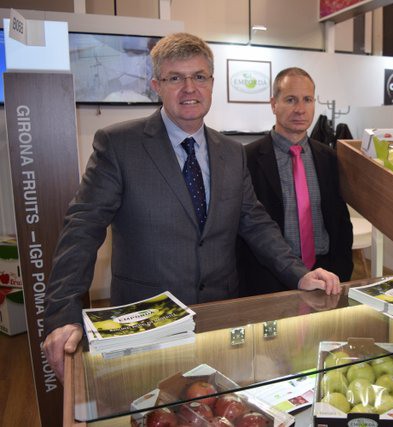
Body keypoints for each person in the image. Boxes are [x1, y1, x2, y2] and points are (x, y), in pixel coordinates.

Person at [43, 34, 340, 380]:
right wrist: (63, 313)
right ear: (156, 85)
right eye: (175, 78)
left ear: (211, 83)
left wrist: (299, 272)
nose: (189, 88)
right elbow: (82, 228)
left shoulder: (232, 152)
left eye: (199, 76)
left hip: (220, 319)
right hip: (148, 322)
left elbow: (255, 221)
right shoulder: (118, 145)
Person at [238, 67, 353, 296]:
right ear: (274, 104)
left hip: (325, 278)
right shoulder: (246, 159)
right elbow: (246, 227)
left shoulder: (329, 158)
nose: (300, 109)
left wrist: (340, 271)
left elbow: (340, 222)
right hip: (269, 280)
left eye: (307, 99)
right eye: (291, 100)